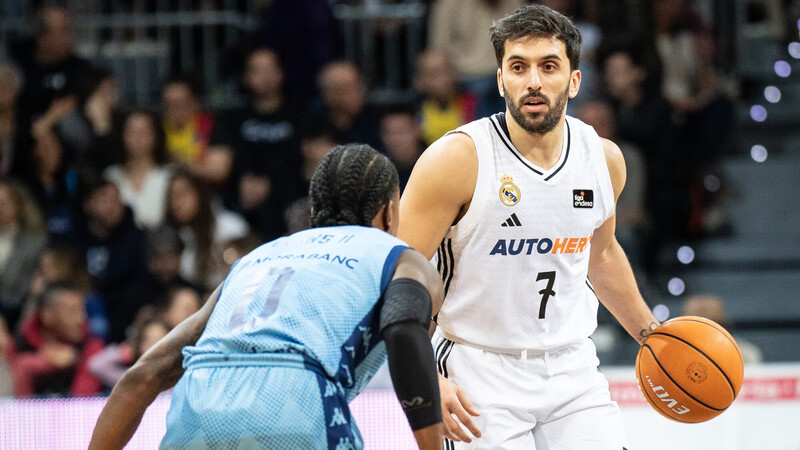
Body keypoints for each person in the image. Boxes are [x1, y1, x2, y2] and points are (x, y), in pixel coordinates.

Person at [398, 5, 659, 448]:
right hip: (477, 368)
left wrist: (652, 335)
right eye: (518, 67)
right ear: (500, 79)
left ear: (574, 80)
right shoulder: (456, 160)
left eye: (549, 66)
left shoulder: (604, 159)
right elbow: (398, 275)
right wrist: (421, 376)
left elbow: (603, 254)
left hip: (573, 367)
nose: (533, 81)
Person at [89, 144, 445, 449]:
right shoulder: (398, 254)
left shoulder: (258, 258)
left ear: (313, 210)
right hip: (293, 399)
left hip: (197, 404)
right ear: (389, 210)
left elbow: (146, 372)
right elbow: (401, 328)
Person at [9, 282, 105, 397]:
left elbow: (82, 400)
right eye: (72, 311)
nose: (81, 319)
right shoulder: (21, 343)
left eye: (82, 310)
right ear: (47, 315)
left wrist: (76, 360)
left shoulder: (92, 345)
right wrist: (44, 362)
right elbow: (14, 400)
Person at [104, 109, 171, 229]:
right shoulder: (111, 175)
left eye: (143, 132)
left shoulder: (170, 175)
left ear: (155, 136)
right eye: (131, 132)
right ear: (122, 135)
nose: (138, 138)